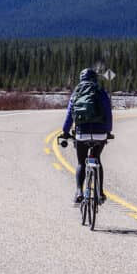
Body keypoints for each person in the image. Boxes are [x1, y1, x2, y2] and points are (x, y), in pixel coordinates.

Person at [59, 68, 113, 204]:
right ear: (95, 78)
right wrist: (108, 131)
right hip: (100, 133)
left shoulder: (76, 93)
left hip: (81, 133)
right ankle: (100, 193)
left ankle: (79, 192)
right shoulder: (101, 92)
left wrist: (65, 132)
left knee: (81, 162)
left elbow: (69, 115)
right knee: (97, 159)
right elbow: (108, 113)